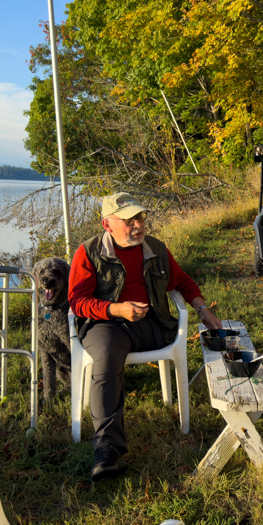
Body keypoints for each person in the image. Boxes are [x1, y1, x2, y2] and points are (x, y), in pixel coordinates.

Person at [69, 192, 221, 481]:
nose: (138, 225)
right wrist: (116, 309)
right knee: (107, 356)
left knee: (193, 340)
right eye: (129, 220)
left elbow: (182, 281)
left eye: (140, 217)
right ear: (107, 224)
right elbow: (77, 302)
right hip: (106, 324)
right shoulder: (88, 252)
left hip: (153, 322)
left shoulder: (155, 248)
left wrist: (202, 310)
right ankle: (107, 449)